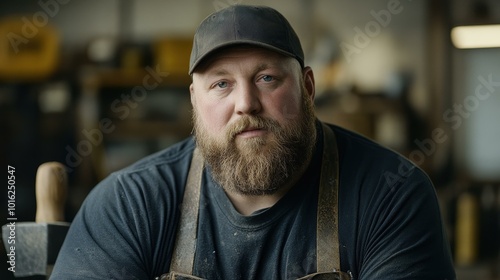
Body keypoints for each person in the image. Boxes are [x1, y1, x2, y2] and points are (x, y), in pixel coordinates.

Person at [51, 5, 456, 280]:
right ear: (194, 101)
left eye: (267, 78)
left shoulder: (391, 194)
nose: (246, 103)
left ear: (308, 87)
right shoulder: (129, 206)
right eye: (221, 84)